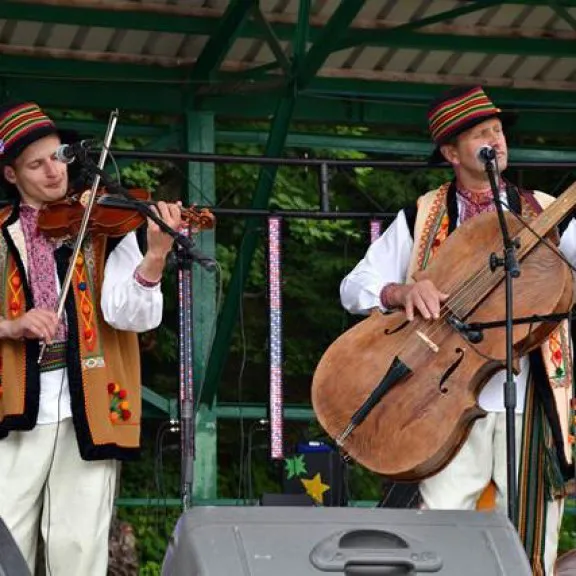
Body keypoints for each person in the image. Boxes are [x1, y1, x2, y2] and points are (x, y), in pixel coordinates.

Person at [340, 86, 576, 575]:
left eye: (498, 129)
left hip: (529, 394)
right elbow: (353, 286)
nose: (497, 139)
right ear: (451, 152)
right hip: (441, 399)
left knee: (532, 536)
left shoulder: (546, 209)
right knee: (439, 536)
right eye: (481, 133)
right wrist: (399, 294)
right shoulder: (422, 215)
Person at [0, 102, 182, 575]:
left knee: (79, 543)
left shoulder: (102, 226)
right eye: (35, 164)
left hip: (93, 402)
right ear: (10, 174)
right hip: (13, 403)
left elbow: (128, 315)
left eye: (58, 156)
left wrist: (155, 258)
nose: (53, 170)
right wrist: (11, 326)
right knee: (4, 534)